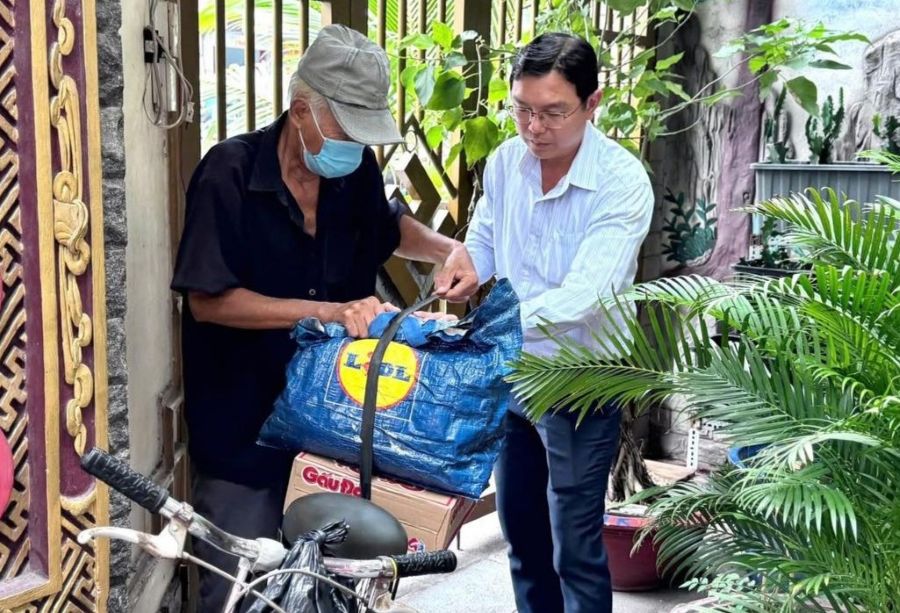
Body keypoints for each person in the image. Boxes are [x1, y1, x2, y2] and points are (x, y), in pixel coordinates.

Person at [171, 24, 478, 610]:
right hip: (246, 431)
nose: (356, 146)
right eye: (346, 129)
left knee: (334, 590)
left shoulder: (352, 172)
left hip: (333, 433)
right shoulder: (228, 173)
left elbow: (389, 228)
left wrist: (447, 249)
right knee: (242, 590)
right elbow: (209, 300)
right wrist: (328, 312)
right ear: (300, 111)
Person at [464, 33, 654, 613]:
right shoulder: (506, 161)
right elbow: (485, 236)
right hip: (516, 374)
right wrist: (466, 265)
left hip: (580, 381)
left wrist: (497, 324)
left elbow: (585, 296)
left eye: (552, 112)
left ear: (592, 103)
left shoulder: (621, 181)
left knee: (574, 546)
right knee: (522, 533)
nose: (534, 127)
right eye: (522, 109)